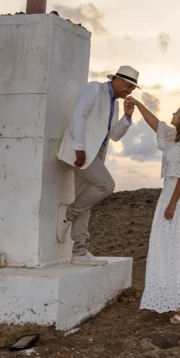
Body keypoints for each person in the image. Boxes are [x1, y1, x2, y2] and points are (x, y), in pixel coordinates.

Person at [128, 97, 180, 324]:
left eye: (176, 112)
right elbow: (156, 123)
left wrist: (172, 203)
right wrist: (137, 104)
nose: (172, 114)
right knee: (170, 247)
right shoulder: (175, 138)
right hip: (169, 192)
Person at [56, 66, 140, 265]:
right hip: (81, 152)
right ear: (117, 79)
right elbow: (78, 115)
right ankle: (68, 214)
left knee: (86, 200)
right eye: (129, 86)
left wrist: (127, 117)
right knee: (106, 186)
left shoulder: (115, 104)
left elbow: (114, 135)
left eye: (133, 89)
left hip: (96, 154)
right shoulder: (94, 88)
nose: (129, 91)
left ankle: (79, 251)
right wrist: (79, 148)